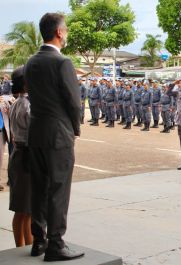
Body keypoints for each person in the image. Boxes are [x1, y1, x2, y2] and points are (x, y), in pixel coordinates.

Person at [24, 13, 84, 261]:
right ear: (59, 32)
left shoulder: (31, 62)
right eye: (66, 30)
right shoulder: (62, 63)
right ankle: (56, 245)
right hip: (58, 133)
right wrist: (75, 129)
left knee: (39, 187)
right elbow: (73, 101)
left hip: (36, 131)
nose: (67, 34)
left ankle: (39, 240)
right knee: (59, 189)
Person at [8, 66, 33, 247]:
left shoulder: (17, 102)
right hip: (26, 156)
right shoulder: (27, 105)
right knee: (24, 209)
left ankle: (26, 246)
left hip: (20, 155)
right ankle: (22, 248)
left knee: (26, 210)